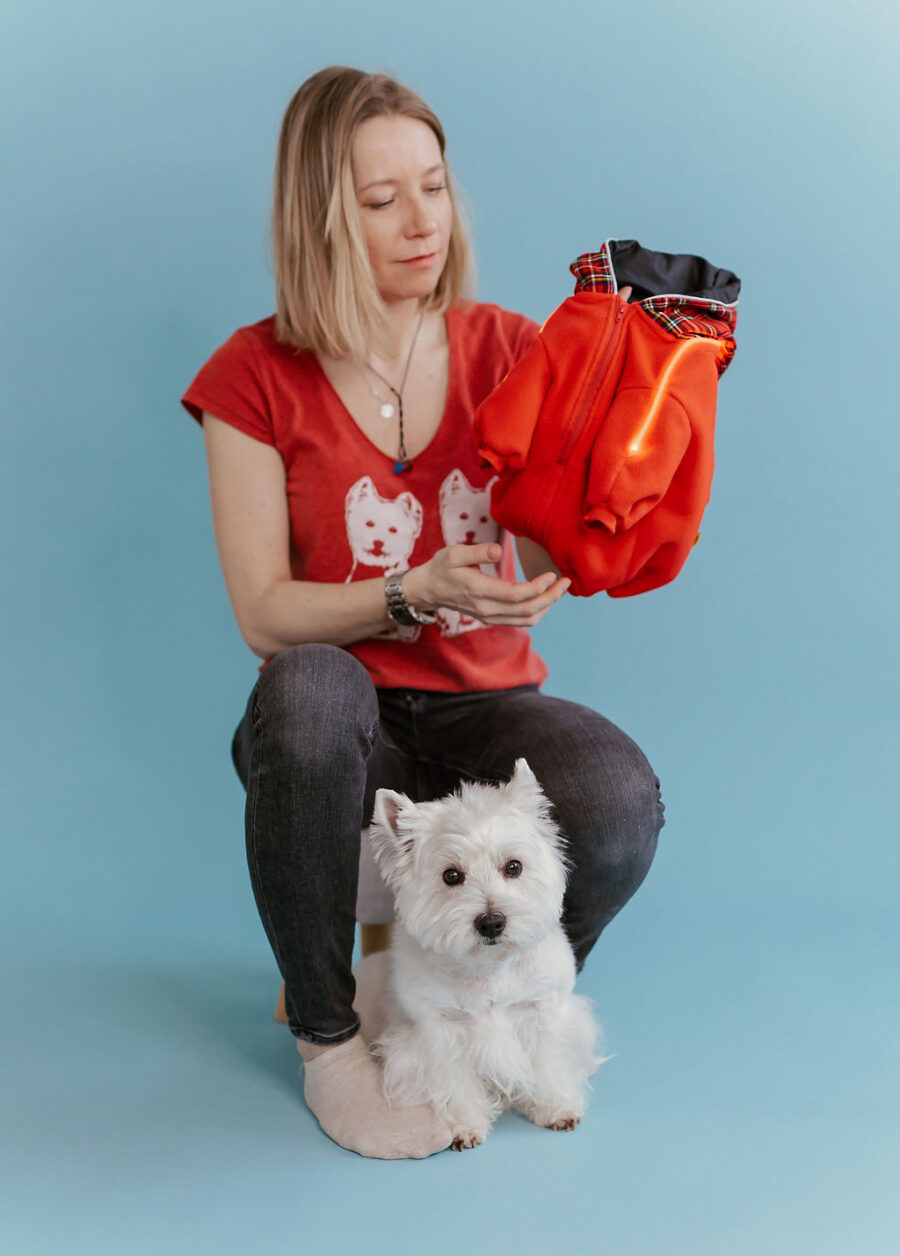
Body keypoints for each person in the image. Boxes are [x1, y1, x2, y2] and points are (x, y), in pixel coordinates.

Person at [180, 66, 665, 1160]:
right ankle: (328, 1030)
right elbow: (264, 611)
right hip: (342, 746)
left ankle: (460, 993)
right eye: (379, 197)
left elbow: (552, 528)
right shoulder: (252, 377)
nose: (420, 224)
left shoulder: (511, 347)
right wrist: (414, 593)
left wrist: (551, 556)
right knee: (302, 685)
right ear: (320, 215)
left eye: (434, 188)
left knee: (619, 798)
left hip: (484, 720)